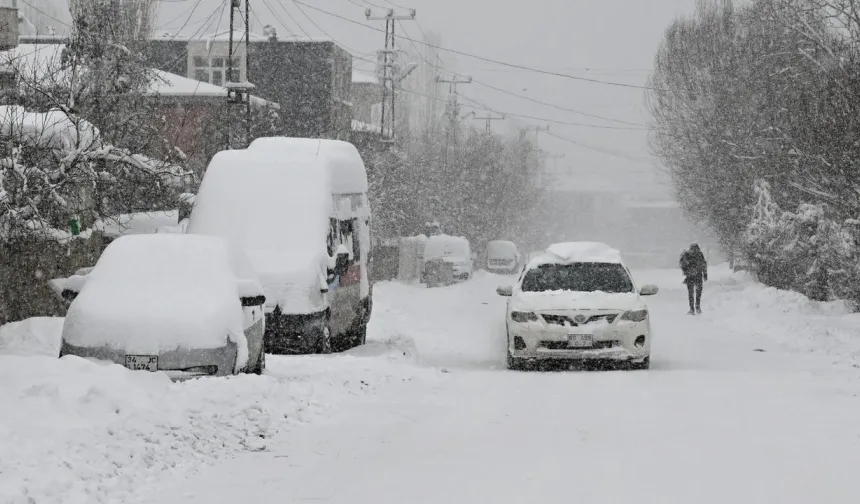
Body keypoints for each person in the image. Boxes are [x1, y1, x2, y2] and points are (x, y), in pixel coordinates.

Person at [679, 243, 708, 314]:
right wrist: (705, 274)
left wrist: (686, 271)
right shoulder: (700, 254)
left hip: (690, 277)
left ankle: (691, 309)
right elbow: (704, 265)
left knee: (690, 293)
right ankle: (697, 307)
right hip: (698, 276)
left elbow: (683, 265)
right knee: (698, 292)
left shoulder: (687, 254)